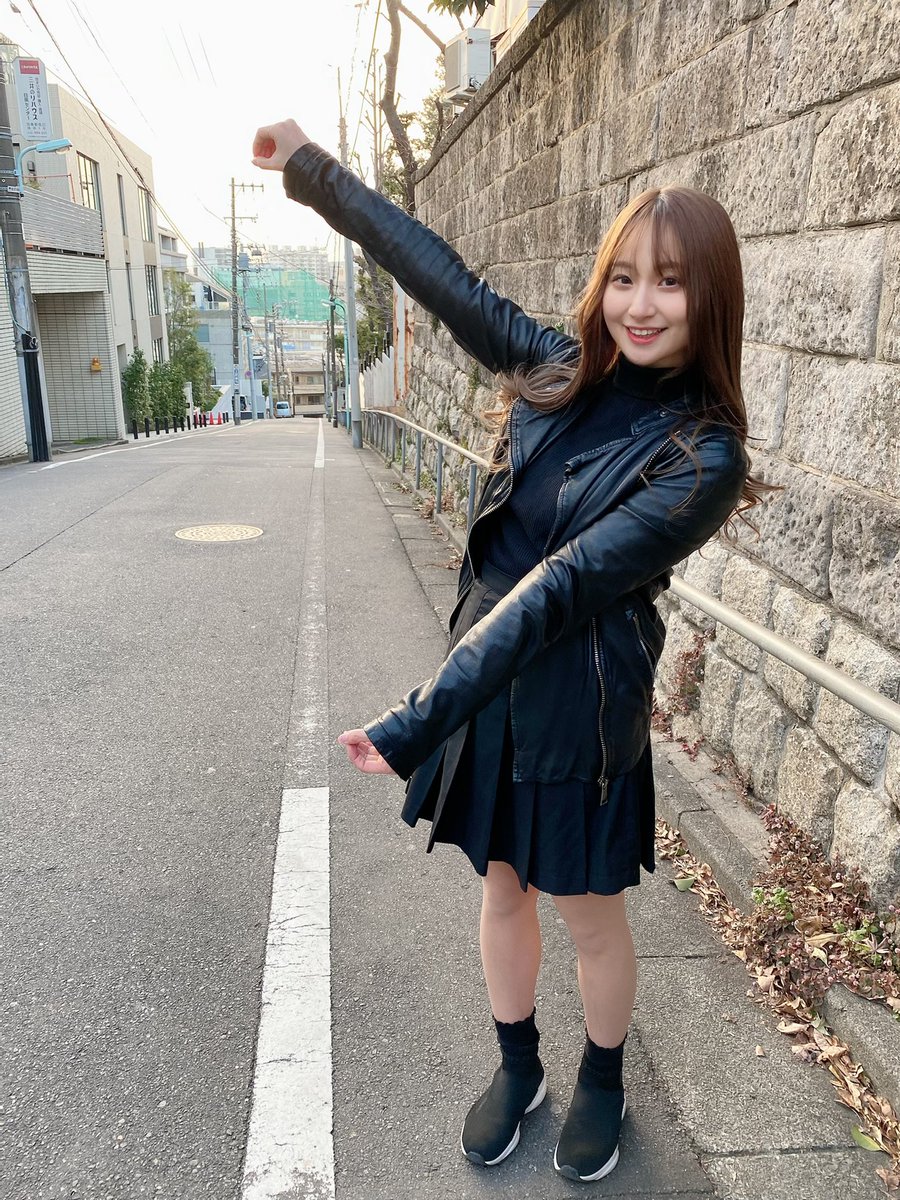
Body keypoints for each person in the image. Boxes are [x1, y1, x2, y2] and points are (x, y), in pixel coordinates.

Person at [252, 119, 769, 1183]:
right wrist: (313, 170)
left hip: (578, 703)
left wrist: (421, 714)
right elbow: (441, 278)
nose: (639, 303)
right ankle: (518, 1064)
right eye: (623, 276)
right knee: (500, 889)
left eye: (670, 282)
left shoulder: (703, 455)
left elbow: (568, 586)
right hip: (487, 682)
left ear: (709, 298)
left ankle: (604, 1081)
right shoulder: (556, 366)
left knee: (589, 914)